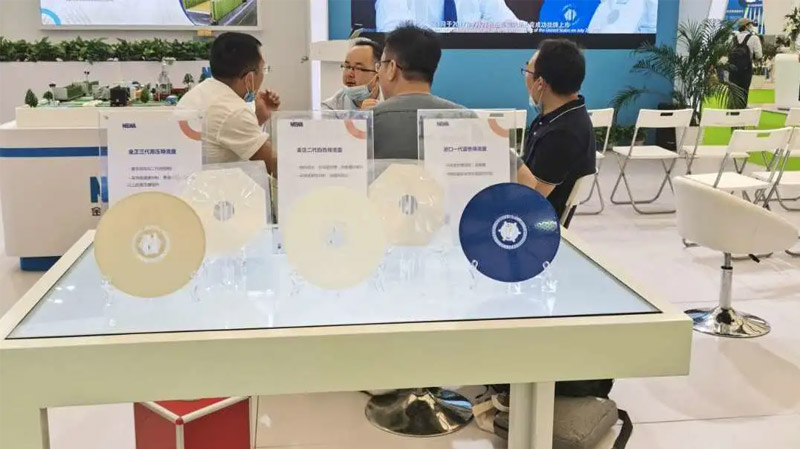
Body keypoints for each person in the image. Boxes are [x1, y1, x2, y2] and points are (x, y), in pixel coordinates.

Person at [177, 32, 280, 173]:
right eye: (263, 69)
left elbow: (229, 134)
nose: (263, 75)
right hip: (218, 185)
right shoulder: (233, 111)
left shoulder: (202, 92)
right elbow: (275, 166)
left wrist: (259, 117)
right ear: (249, 77)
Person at [521, 39, 596, 220]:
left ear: (540, 83)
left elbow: (532, 199)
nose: (525, 76)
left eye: (527, 71)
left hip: (538, 222)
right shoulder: (554, 117)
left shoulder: (563, 133)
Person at [372, 24, 464, 159]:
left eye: (380, 65)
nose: (378, 72)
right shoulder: (465, 119)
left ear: (392, 68)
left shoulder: (367, 122)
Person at [375, 0, 528, 32]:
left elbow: (516, 27)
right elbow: (392, 31)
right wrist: (455, 32)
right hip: (416, 74)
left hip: (472, 69)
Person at [322, 38, 383, 111]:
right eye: (347, 66)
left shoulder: (390, 101)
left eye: (358, 68)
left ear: (378, 72)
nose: (349, 74)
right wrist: (361, 116)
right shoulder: (331, 108)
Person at [729, 17, 763, 108]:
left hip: (732, 70)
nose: (752, 26)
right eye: (750, 24)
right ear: (746, 26)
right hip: (746, 70)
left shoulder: (733, 38)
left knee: (733, 92)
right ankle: (742, 111)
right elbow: (759, 55)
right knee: (744, 91)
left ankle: (731, 111)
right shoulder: (754, 38)